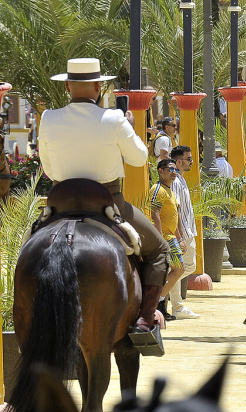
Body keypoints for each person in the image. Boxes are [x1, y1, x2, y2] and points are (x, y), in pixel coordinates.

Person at [38, 57, 170, 342]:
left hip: (60, 204)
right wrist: (129, 127)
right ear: (99, 86)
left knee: (29, 246)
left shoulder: (48, 118)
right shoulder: (113, 119)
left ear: (68, 87)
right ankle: (146, 320)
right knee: (159, 250)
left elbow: (48, 169)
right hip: (108, 204)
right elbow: (139, 158)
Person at [148, 159, 187, 311]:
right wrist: (160, 240)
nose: (174, 173)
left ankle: (159, 303)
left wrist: (180, 238)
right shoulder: (157, 189)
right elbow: (154, 214)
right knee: (179, 269)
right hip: (164, 238)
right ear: (160, 171)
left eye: (175, 170)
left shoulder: (170, 191)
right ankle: (157, 302)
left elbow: (174, 217)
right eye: (170, 169)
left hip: (171, 238)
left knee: (177, 270)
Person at [168, 145, 200, 320]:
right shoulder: (175, 181)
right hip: (182, 233)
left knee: (183, 268)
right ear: (179, 161)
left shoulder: (181, 179)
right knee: (182, 268)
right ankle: (175, 305)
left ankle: (175, 304)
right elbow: (175, 211)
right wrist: (179, 237)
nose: (191, 162)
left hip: (187, 231)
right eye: (189, 159)